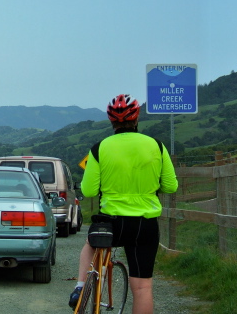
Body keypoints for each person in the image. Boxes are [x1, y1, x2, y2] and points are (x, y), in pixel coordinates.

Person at [71, 95, 178, 314]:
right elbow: (170, 186)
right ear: (136, 117)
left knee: (90, 244)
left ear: (111, 121)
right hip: (145, 225)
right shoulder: (156, 146)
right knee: (143, 287)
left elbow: (90, 191)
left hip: (112, 222)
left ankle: (80, 287)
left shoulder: (99, 148)